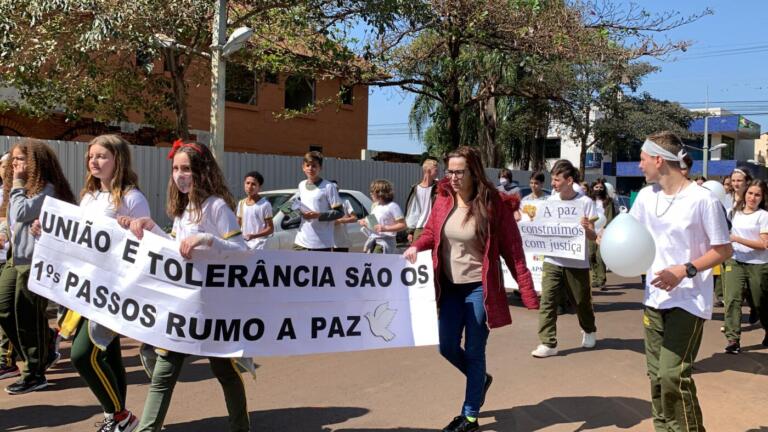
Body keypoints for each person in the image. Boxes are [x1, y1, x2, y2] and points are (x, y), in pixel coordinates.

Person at [404, 146, 539, 432]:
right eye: (449, 171)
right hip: (450, 288)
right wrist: (416, 245)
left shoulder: (494, 205)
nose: (452, 177)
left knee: (475, 351)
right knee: (447, 347)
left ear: (473, 171)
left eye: (458, 171)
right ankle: (480, 380)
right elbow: (430, 232)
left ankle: (469, 416)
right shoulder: (443, 199)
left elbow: (513, 251)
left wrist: (527, 292)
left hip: (480, 288)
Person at [123, 141, 250, 432]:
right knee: (164, 373)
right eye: (175, 169)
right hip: (183, 306)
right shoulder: (182, 210)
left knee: (225, 372)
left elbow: (242, 249)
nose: (180, 175)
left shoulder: (216, 206)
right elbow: (175, 250)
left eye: (186, 169)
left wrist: (207, 240)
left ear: (202, 172)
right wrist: (150, 227)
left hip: (215, 307)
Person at [629, 131, 731, 431]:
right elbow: (629, 236)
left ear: (659, 160)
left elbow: (723, 249)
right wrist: (598, 236)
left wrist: (685, 270)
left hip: (689, 300)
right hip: (654, 299)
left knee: (673, 375)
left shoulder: (703, 200)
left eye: (642, 159)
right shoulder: (647, 197)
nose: (639, 165)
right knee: (656, 376)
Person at [59, 135, 150, 431]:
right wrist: (44, 231)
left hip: (114, 291)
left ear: (118, 160)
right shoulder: (89, 196)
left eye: (101, 156)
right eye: (91, 156)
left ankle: (122, 416)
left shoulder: (132, 198)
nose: (93, 161)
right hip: (85, 288)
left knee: (83, 355)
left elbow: (148, 246)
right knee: (109, 354)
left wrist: (134, 230)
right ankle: (118, 417)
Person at [0, 139, 76, 394]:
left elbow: (21, 212)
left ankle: (34, 372)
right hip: (15, 258)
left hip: (34, 262)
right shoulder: (17, 188)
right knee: (4, 308)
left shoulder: (47, 189)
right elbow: (13, 220)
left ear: (35, 162)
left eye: (20, 159)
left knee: (28, 317)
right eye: (13, 159)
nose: (15, 164)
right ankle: (43, 349)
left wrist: (18, 183)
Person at [531, 159, 598, 358]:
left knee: (581, 301)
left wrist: (587, 228)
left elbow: (594, 236)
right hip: (553, 260)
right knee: (547, 301)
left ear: (569, 180)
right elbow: (538, 226)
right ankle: (548, 342)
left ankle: (589, 329)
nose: (553, 183)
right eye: (552, 179)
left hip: (576, 262)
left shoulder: (585, 203)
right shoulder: (550, 202)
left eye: (557, 179)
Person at [722, 179, 768, 353]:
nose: (752, 198)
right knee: (732, 299)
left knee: (759, 302)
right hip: (735, 261)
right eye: (750, 193)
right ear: (744, 193)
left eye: (757, 195)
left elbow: (763, 244)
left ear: (762, 198)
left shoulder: (763, 216)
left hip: (759, 264)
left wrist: (737, 238)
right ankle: (733, 339)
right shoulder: (733, 213)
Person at [292, 151, 343, 251]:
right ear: (303, 167)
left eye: (314, 166)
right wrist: (297, 212)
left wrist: (318, 215)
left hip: (321, 243)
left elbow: (339, 213)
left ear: (320, 168)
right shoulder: (301, 185)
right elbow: (300, 206)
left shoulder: (328, 186)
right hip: (301, 241)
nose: (310, 169)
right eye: (308, 165)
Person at [360, 179, 406, 254]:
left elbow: (403, 225)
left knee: (376, 263)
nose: (370, 194)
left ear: (380, 193)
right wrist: (365, 223)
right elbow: (374, 226)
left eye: (373, 191)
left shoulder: (393, 206)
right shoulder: (375, 206)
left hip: (384, 243)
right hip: (374, 241)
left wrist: (385, 228)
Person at [405, 157, 439, 244]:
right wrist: (410, 232)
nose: (438, 173)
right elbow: (413, 211)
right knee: (416, 254)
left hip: (435, 228)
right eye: (436, 170)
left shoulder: (439, 188)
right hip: (420, 228)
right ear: (428, 171)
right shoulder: (416, 189)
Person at [589, 178, 616, 291]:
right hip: (591, 232)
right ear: (593, 188)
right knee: (591, 255)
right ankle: (594, 278)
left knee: (600, 256)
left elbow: (610, 217)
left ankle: (601, 279)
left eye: (601, 187)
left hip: (603, 232)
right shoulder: (589, 201)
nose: (599, 189)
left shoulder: (608, 201)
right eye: (596, 187)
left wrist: (604, 230)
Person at [236, 171, 273, 250]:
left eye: (253, 184)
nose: (249, 186)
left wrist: (254, 236)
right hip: (244, 245)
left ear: (259, 187)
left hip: (259, 246)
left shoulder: (265, 204)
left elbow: (270, 228)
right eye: (247, 183)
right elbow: (238, 224)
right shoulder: (241, 203)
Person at [331, 180, 357, 252]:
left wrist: (340, 220)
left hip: (342, 241)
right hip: (327, 242)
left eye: (336, 189)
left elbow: (354, 218)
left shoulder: (345, 202)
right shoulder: (324, 203)